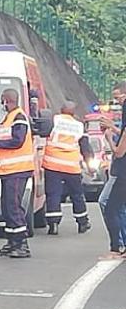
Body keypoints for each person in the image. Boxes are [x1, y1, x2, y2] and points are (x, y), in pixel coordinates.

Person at [0, 88, 35, 258]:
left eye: (2, 101)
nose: (2, 104)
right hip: (8, 171)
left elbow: (17, 141)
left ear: (6, 100)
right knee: (7, 207)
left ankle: (22, 244)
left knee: (14, 207)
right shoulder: (9, 118)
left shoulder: (19, 118)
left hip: (18, 170)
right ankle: (12, 241)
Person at [42, 101, 93, 235]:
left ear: (61, 110)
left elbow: (41, 132)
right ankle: (82, 223)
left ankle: (53, 225)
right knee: (77, 195)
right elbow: (85, 149)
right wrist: (89, 166)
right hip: (71, 167)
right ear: (73, 112)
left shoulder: (53, 120)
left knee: (53, 194)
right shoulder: (79, 126)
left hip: (52, 165)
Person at [99, 85, 126, 245]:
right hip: (119, 169)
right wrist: (112, 128)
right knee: (119, 207)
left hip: (121, 171)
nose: (117, 101)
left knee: (109, 205)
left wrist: (109, 138)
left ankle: (118, 245)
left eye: (118, 97)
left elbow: (119, 151)